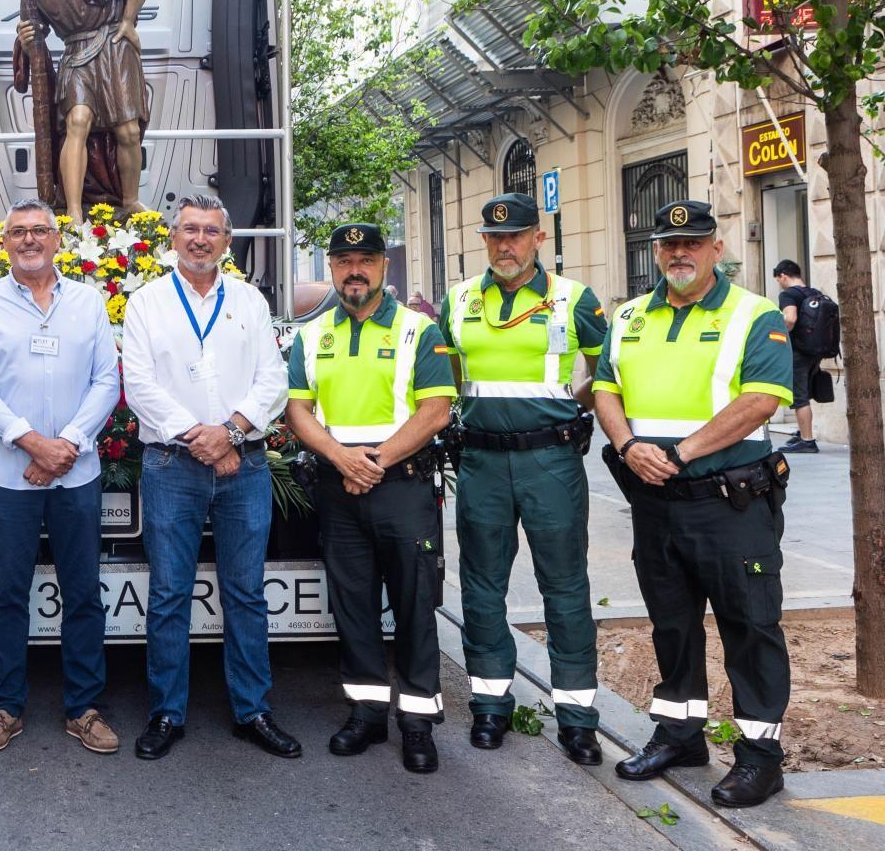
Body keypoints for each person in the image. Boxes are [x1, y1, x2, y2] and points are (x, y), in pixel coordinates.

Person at [594, 200, 793, 808]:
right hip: (655, 502)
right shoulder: (628, 316)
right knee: (672, 625)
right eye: (668, 244)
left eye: (693, 243)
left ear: (717, 248)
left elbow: (762, 399)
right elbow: (605, 387)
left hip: (730, 504)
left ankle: (760, 757)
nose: (679, 253)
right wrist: (627, 445)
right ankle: (681, 735)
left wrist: (678, 453)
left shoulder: (754, 315)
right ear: (656, 250)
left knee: (749, 626)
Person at [121, 195, 297, 760]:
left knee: (246, 593)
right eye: (191, 229)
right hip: (173, 465)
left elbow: (272, 380)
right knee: (170, 592)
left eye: (212, 231)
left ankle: (253, 709)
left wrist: (232, 431)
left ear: (227, 241)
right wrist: (202, 436)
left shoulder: (248, 300)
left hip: (241, 465)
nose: (200, 239)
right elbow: (140, 383)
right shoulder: (146, 302)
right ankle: (166, 712)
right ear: (173, 237)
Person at [439, 193, 606, 764]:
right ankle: (490, 706)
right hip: (481, 462)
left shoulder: (573, 299)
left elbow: (610, 371)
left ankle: (578, 718)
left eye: (515, 235)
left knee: (564, 585)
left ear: (539, 237)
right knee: (482, 585)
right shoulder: (458, 301)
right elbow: (452, 378)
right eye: (493, 237)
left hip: (550, 462)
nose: (503, 246)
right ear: (483, 240)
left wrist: (572, 408)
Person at [283, 223, 456, 773]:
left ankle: (418, 722)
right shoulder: (310, 337)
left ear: (384, 266)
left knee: (414, 606)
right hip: (339, 490)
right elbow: (297, 412)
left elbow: (436, 410)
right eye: (343, 261)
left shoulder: (419, 331)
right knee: (353, 608)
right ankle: (366, 713)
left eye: (365, 259)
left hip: (401, 487)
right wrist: (341, 459)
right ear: (330, 268)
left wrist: (373, 462)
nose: (353, 270)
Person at [0, 198, 122, 754]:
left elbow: (107, 381)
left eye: (39, 232)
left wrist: (68, 444)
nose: (29, 240)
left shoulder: (89, 302)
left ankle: (84, 708)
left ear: (58, 240)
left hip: (76, 474)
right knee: (7, 593)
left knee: (82, 593)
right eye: (18, 232)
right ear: (5, 242)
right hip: (8, 475)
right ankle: (6, 708)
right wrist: (32, 442)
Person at [14, 0, 155, 224]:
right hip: (76, 52)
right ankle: (74, 212)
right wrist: (26, 36)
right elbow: (34, 31)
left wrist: (129, 22)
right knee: (77, 122)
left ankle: (130, 200)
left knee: (128, 131)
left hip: (115, 48)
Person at [771, 259, 820, 453]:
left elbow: (790, 319)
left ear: (783, 276)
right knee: (804, 393)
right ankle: (802, 433)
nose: (780, 284)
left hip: (797, 351)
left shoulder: (789, 294)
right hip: (813, 351)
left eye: (778, 280)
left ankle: (807, 441)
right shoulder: (813, 292)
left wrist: (779, 336)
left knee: (799, 397)